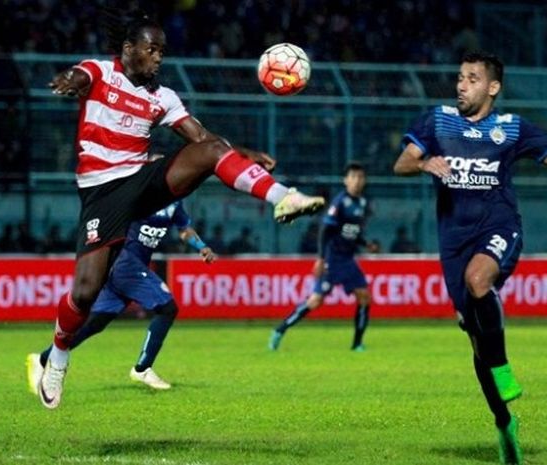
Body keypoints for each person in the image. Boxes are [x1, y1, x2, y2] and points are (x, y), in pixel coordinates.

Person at [32, 11, 324, 410]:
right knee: (84, 293)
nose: (158, 58)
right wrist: (70, 80)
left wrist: (243, 152)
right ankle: (58, 356)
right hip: (103, 194)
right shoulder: (100, 72)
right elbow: (79, 76)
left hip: (142, 179)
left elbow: (201, 136)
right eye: (151, 50)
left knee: (210, 149)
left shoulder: (162, 97)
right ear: (129, 50)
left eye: (162, 52)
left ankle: (282, 197)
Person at [393, 51, 547, 464]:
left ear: (492, 87)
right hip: (453, 243)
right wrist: (425, 163)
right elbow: (401, 162)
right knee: (477, 344)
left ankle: (505, 367)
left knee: (481, 280)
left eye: (472, 78)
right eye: (460, 77)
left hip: (500, 227)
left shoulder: (511, 129)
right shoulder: (437, 120)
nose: (461, 85)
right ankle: (502, 421)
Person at [27, 200, 214, 392]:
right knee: (167, 308)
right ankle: (143, 368)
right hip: (126, 262)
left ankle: (42, 359)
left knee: (95, 323)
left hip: (128, 266)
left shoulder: (175, 202)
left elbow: (184, 229)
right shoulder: (142, 193)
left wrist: (201, 246)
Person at [269, 162, 379, 352]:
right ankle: (279, 331)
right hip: (333, 259)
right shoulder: (339, 202)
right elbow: (325, 231)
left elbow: (351, 231)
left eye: (360, 177)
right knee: (315, 301)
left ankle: (357, 344)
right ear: (346, 180)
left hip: (348, 259)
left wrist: (365, 244)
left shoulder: (362, 203)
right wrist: (321, 259)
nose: (357, 181)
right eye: (353, 177)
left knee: (364, 297)